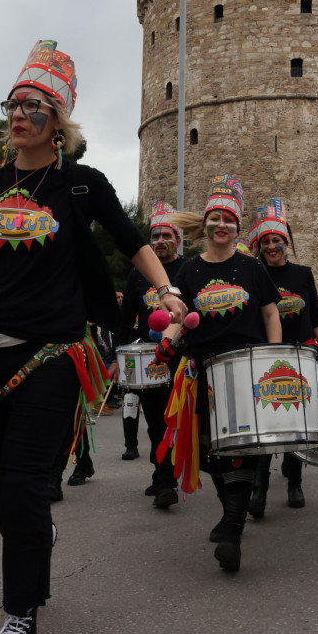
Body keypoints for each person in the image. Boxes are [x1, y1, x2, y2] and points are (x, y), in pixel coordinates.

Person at [0, 40, 185, 634]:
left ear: (57, 123)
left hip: (54, 356)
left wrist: (167, 291)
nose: (17, 115)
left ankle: (21, 608)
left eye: (33, 106)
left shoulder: (82, 184)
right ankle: (36, 535)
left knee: (23, 484)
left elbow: (131, 240)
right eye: (12, 103)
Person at [154, 174, 282, 573]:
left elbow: (270, 314)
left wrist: (272, 356)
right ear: (206, 225)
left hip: (243, 365)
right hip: (198, 370)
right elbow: (178, 316)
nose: (222, 225)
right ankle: (230, 511)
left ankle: (232, 528)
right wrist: (168, 339)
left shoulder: (252, 268)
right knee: (208, 451)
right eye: (216, 218)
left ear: (238, 228)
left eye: (229, 219)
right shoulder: (188, 271)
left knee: (239, 450)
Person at [245, 198, 318, 516]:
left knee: (296, 422)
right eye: (266, 241)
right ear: (259, 245)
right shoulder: (253, 274)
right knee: (267, 423)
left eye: (277, 240)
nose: (272, 246)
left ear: (287, 243)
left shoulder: (303, 274)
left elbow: (316, 317)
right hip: (265, 355)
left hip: (301, 353)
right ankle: (259, 488)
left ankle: (294, 483)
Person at [116, 201, 188, 508]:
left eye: (166, 236)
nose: (160, 241)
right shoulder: (139, 273)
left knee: (175, 419)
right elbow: (126, 317)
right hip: (149, 358)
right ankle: (163, 476)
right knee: (155, 420)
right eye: (155, 236)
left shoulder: (188, 269)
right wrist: (115, 359)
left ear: (178, 240)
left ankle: (166, 478)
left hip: (181, 355)